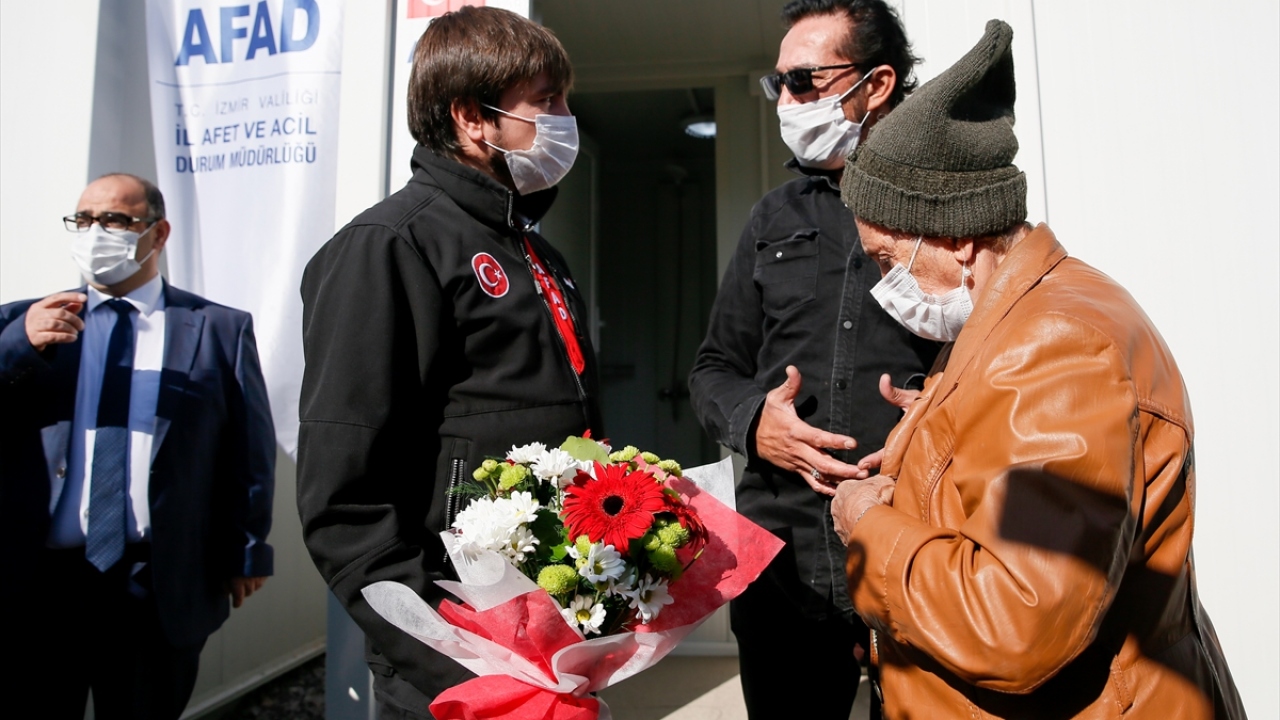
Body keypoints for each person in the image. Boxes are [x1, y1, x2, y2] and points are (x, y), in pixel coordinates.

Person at [830, 19, 1246, 719]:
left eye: (884, 259)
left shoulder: (1057, 348)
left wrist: (868, 525)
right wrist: (940, 435)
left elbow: (1015, 622)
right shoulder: (1025, 322)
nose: (883, 284)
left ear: (957, 236)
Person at [296, 7, 602, 718]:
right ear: (472, 117)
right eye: (546, 101)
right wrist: (454, 658)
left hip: (557, 638)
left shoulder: (537, 251)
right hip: (461, 665)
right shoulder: (389, 247)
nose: (565, 119)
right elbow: (344, 507)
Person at [687, 1, 939, 717]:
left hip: (921, 541)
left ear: (878, 83)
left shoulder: (949, 208)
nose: (786, 101)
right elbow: (712, 369)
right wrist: (752, 424)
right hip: (782, 558)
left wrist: (948, 411)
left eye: (803, 80)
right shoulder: (774, 218)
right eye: (778, 85)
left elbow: (1003, 357)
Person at [0, 173, 276, 720]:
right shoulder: (26, 321)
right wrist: (16, 347)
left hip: (158, 580)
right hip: (44, 582)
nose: (95, 232)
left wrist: (248, 549)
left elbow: (249, 451)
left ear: (158, 231)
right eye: (84, 220)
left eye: (115, 221)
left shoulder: (216, 328)